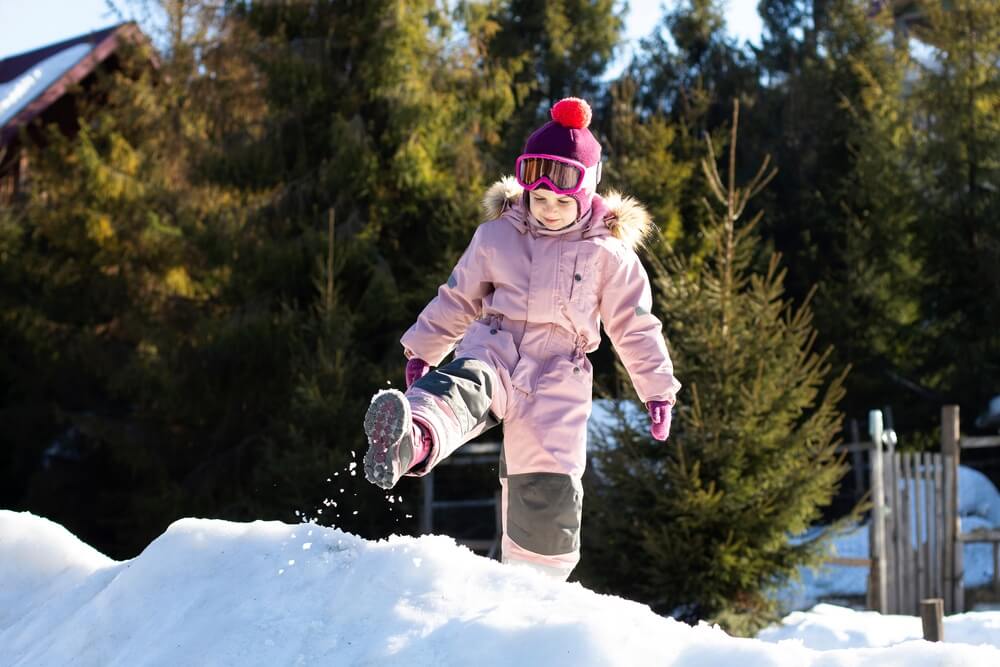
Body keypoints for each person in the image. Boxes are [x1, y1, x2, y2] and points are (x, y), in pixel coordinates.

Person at [362, 97, 681, 580]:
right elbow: (458, 296)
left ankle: (536, 589)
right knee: (462, 387)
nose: (549, 210)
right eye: (539, 199)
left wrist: (658, 390)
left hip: (559, 375)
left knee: (548, 481)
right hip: (495, 346)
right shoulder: (497, 235)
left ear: (587, 195)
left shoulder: (608, 254)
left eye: (562, 201)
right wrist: (424, 350)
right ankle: (408, 441)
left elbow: (635, 325)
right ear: (525, 191)